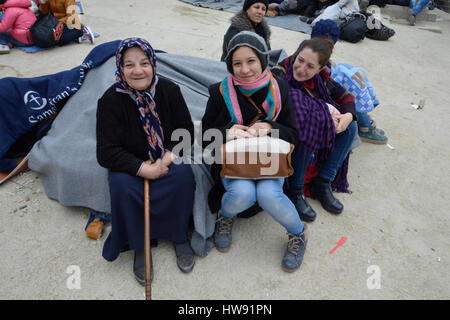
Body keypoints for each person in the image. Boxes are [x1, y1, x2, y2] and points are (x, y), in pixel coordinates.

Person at [202, 31, 308, 272]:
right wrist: (227, 131)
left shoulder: (280, 88)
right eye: (236, 63)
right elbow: (203, 137)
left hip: (270, 161)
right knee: (243, 194)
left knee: (269, 195)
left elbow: (294, 135)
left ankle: (299, 234)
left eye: (251, 61)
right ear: (229, 65)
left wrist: (271, 127)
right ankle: (225, 217)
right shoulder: (219, 92)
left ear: (262, 60)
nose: (245, 69)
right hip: (234, 163)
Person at [96, 38, 196, 285]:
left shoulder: (169, 91)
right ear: (120, 68)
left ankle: (178, 235)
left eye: (143, 63)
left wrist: (167, 157)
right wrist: (144, 169)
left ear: (153, 63)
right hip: (131, 164)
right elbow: (106, 151)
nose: (138, 70)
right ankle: (139, 243)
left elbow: (186, 130)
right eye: (129, 65)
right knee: (121, 185)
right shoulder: (110, 101)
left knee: (183, 177)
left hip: (163, 157)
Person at [272, 37, 357, 220]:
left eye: (310, 66)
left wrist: (347, 116)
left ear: (320, 69)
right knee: (308, 124)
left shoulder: (321, 80)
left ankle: (323, 182)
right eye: (300, 60)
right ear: (295, 55)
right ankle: (295, 190)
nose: (302, 69)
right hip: (284, 132)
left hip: (316, 122)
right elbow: (289, 106)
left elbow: (346, 96)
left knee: (351, 128)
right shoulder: (279, 73)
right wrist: (324, 117)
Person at [311, 19, 388, 144]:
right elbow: (323, 71)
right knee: (353, 83)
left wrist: (330, 64)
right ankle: (364, 126)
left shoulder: (308, 49)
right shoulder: (313, 60)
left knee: (356, 72)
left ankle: (362, 117)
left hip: (327, 78)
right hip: (325, 87)